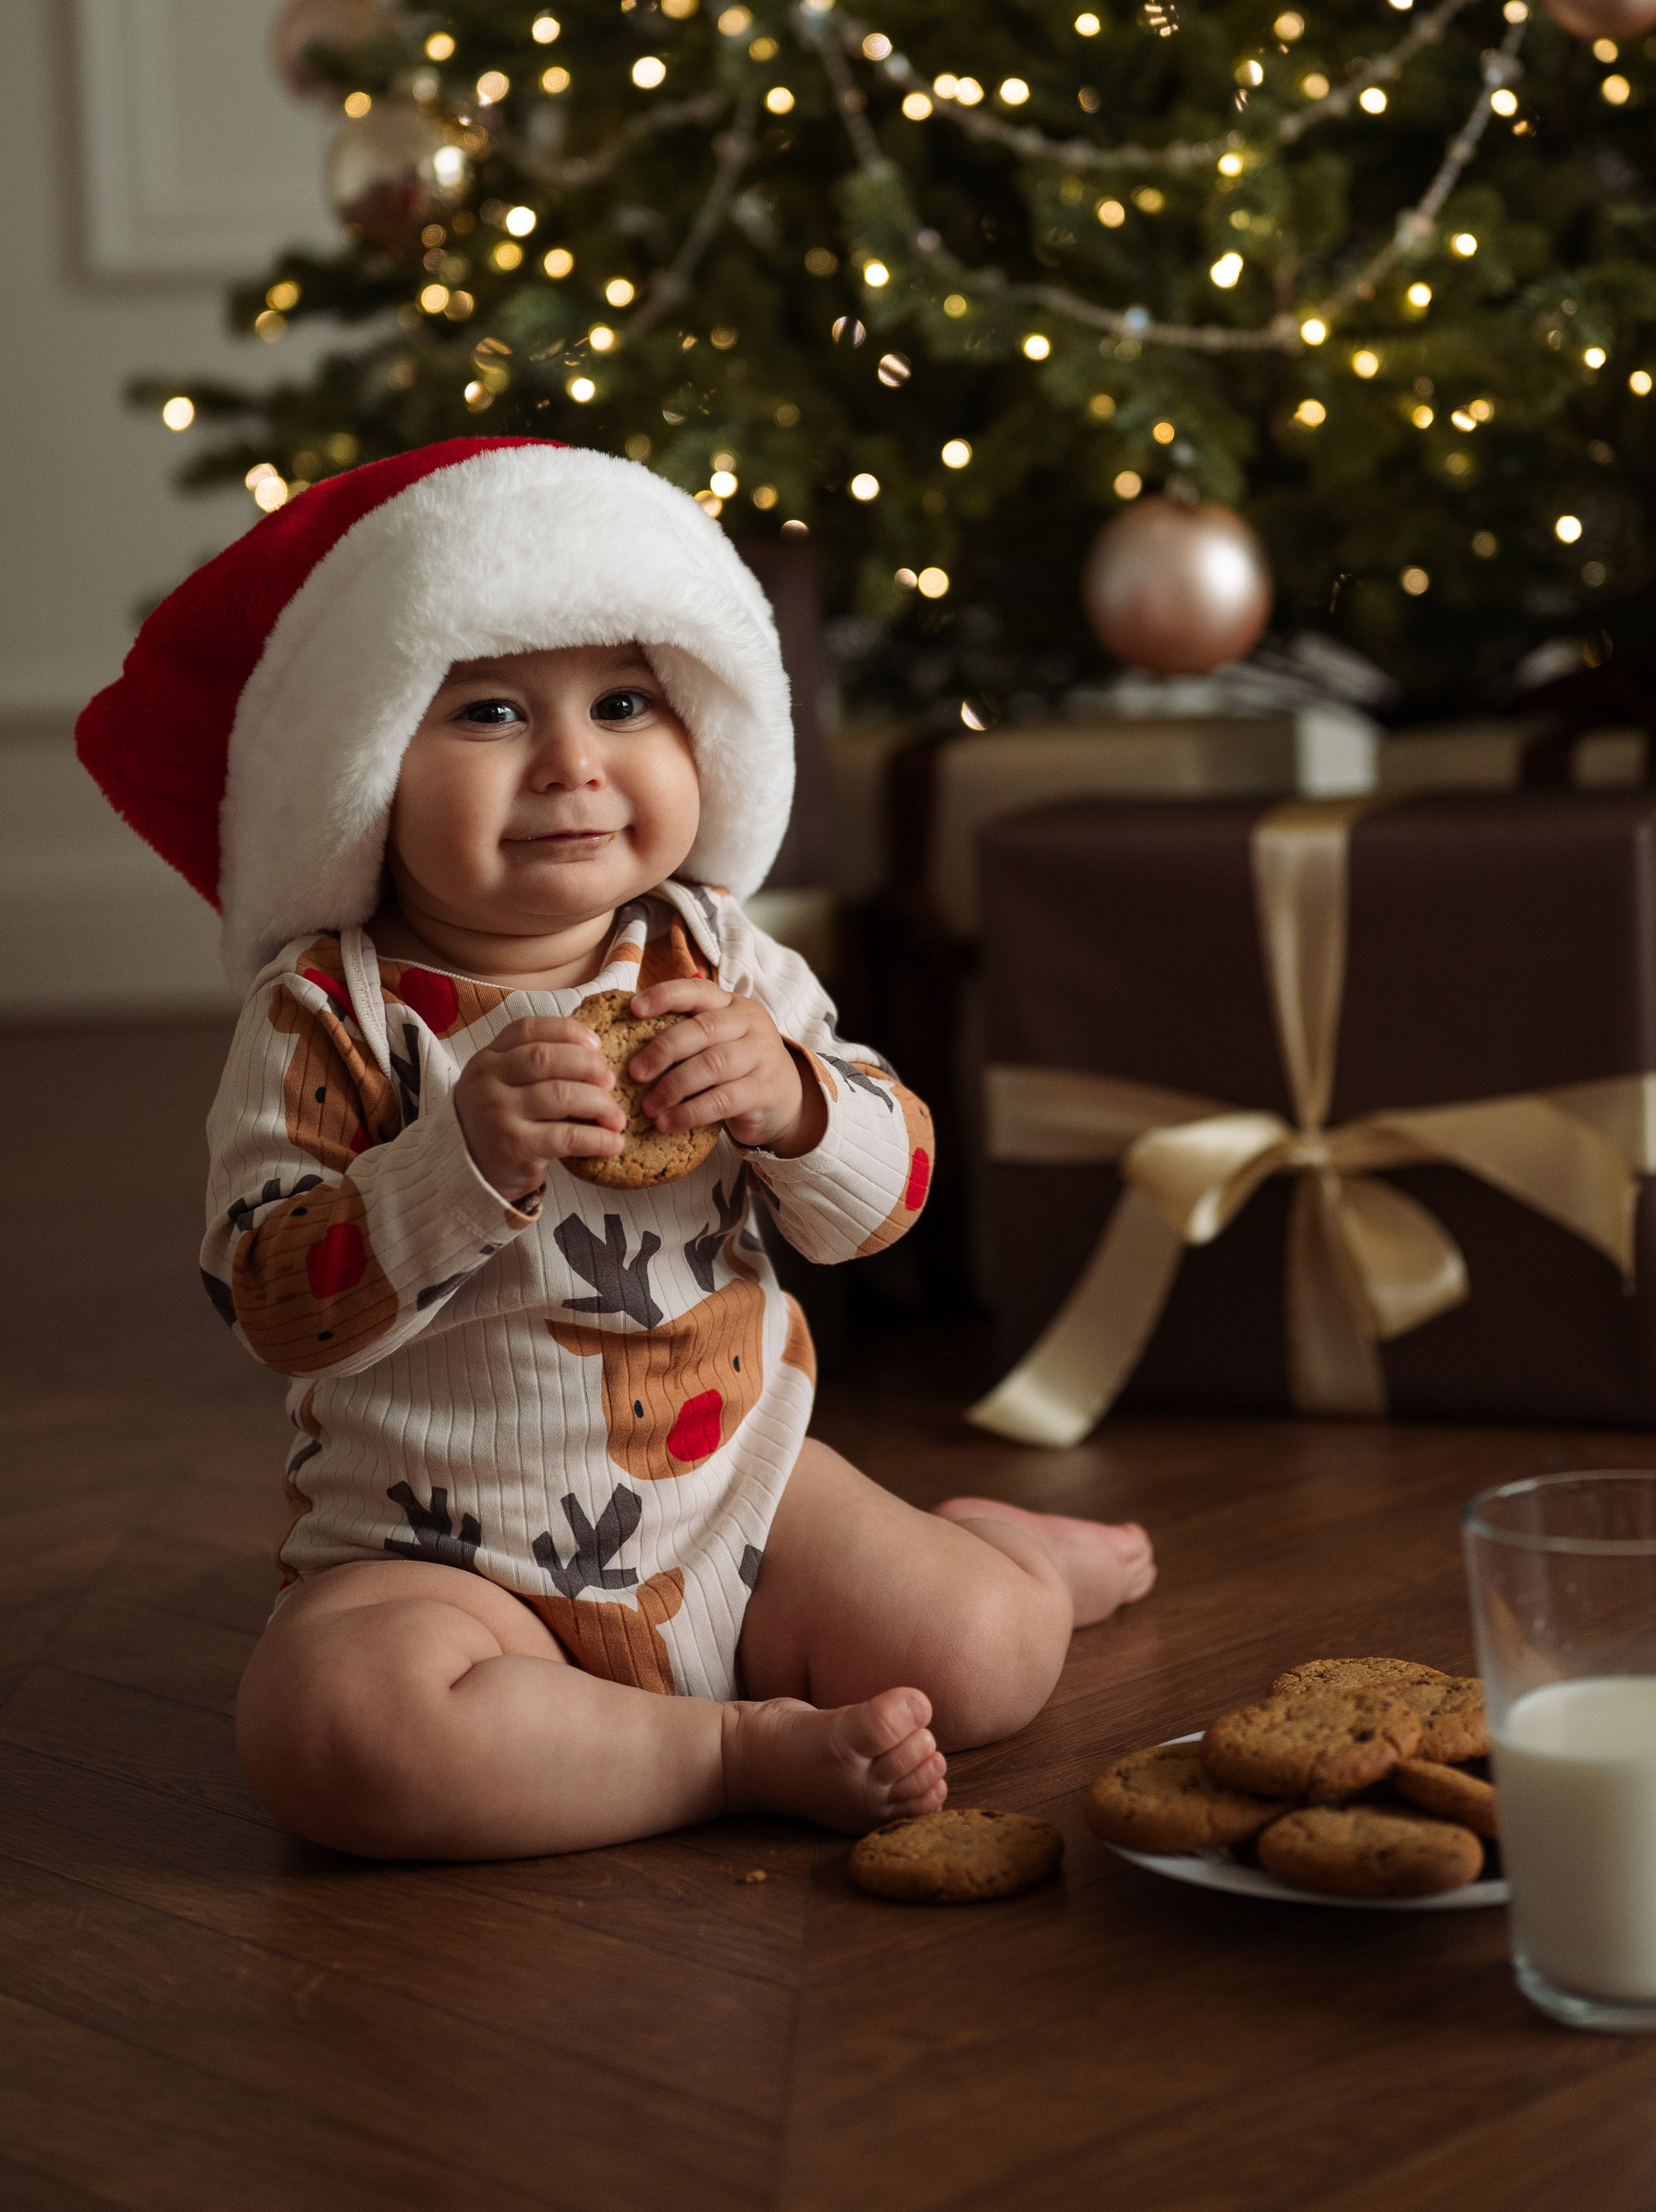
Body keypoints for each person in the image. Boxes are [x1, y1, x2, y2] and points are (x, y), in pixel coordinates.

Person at [78, 438, 1153, 1861]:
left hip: (736, 1505)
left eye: (627, 701)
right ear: (363, 761)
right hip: (440, 1559)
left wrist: (799, 1103)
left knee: (983, 1656)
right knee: (332, 1732)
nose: (574, 764)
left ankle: (1013, 1557)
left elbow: (888, 1200)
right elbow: (271, 1302)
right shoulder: (331, 1013)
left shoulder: (718, 955)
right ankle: (726, 1754)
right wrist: (451, 1161)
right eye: (493, 712)